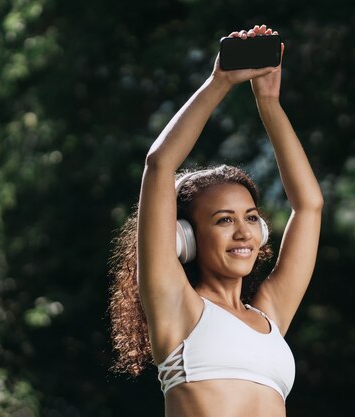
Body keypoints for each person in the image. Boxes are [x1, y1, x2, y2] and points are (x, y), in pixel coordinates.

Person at [108, 24, 323, 417]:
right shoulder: (177, 306)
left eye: (251, 218)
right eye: (224, 220)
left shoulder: (269, 316)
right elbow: (159, 165)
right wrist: (219, 81)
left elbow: (309, 206)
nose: (243, 231)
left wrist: (270, 104)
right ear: (185, 236)